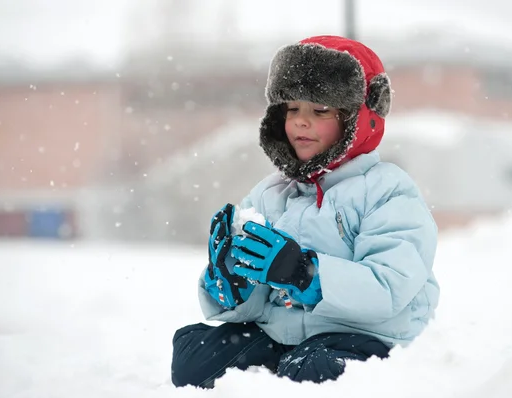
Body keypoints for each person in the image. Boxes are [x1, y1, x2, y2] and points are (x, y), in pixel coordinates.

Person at [171, 35, 439, 388]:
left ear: (356, 119)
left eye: (320, 110)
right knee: (197, 356)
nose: (301, 122)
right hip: (283, 337)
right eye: (292, 108)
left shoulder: (387, 191)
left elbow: (388, 289)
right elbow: (256, 302)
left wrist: (304, 273)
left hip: (362, 336)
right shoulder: (271, 193)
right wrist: (231, 280)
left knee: (313, 371)